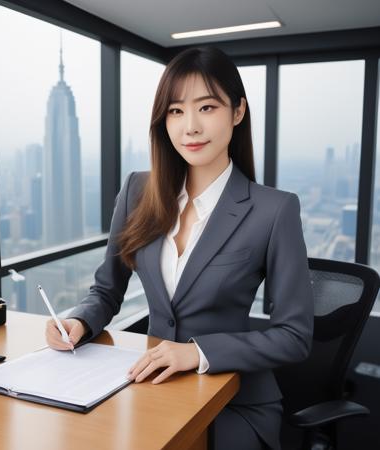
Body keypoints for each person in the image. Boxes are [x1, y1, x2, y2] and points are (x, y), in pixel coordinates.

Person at [46, 46, 314, 450]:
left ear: (237, 112)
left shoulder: (274, 210)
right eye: (175, 111)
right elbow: (107, 290)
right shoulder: (138, 190)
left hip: (233, 401)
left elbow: (294, 335)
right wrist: (79, 322)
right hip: (151, 386)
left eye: (206, 108)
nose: (190, 127)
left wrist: (197, 353)